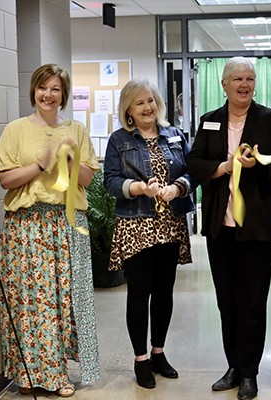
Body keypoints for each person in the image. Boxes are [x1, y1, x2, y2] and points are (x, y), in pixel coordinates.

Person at [187, 57, 271, 400]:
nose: (245, 84)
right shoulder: (209, 122)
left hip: (257, 229)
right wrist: (225, 165)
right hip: (221, 228)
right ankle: (233, 365)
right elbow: (195, 164)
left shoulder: (269, 119)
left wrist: (256, 166)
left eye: (250, 79)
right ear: (224, 84)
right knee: (227, 302)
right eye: (238, 79)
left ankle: (250, 372)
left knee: (252, 302)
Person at [0, 64, 101, 397]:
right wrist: (41, 162)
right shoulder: (15, 130)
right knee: (30, 303)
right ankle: (29, 375)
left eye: (55, 89)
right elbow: (5, 179)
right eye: (43, 88)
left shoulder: (77, 130)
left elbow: (86, 179)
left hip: (66, 223)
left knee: (64, 301)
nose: (48, 95)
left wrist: (67, 158)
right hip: (26, 225)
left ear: (63, 95)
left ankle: (57, 374)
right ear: (33, 91)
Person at [103, 78, 194, 389]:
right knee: (139, 292)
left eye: (151, 101)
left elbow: (191, 170)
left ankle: (159, 352)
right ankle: (140, 359)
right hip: (135, 225)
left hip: (169, 223)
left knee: (164, 291)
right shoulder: (119, 140)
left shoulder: (175, 135)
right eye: (139, 102)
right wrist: (138, 187)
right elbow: (111, 181)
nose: (147, 107)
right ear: (128, 108)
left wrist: (177, 186)